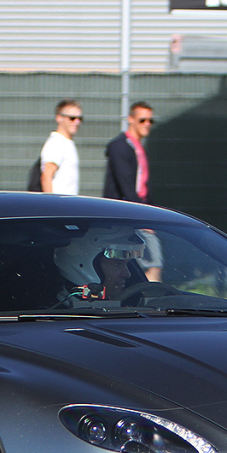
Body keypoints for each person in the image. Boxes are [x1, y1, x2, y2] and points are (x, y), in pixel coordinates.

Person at [102, 101, 162, 281]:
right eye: (142, 120)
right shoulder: (121, 146)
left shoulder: (137, 148)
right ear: (131, 120)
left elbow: (142, 186)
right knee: (152, 264)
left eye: (150, 121)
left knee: (137, 267)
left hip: (138, 212)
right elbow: (125, 185)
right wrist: (142, 217)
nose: (147, 125)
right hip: (127, 215)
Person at [53, 227, 147, 304]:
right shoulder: (53, 319)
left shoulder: (132, 309)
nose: (127, 274)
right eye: (118, 264)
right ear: (82, 264)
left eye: (127, 264)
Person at [40, 100, 82, 194]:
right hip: (59, 205)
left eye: (80, 118)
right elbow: (46, 176)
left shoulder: (67, 143)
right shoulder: (57, 143)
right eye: (72, 118)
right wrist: (52, 204)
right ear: (59, 118)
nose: (77, 122)